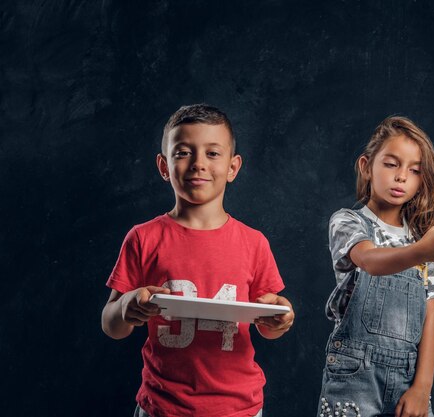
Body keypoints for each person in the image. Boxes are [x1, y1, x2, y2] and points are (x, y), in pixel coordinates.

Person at [101, 104, 295, 417]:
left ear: (233, 167)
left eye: (212, 153)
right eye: (183, 152)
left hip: (239, 409)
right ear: (164, 166)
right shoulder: (143, 238)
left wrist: (280, 317)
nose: (198, 164)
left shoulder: (254, 242)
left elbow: (269, 328)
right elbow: (112, 325)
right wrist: (127, 306)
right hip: (163, 407)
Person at [317, 116, 434, 417]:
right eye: (391, 164)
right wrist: (421, 252)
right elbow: (369, 260)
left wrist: (422, 387)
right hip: (353, 376)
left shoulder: (427, 239)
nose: (402, 176)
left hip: (408, 378)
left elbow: (431, 318)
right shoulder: (348, 222)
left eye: (414, 170)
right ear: (366, 167)